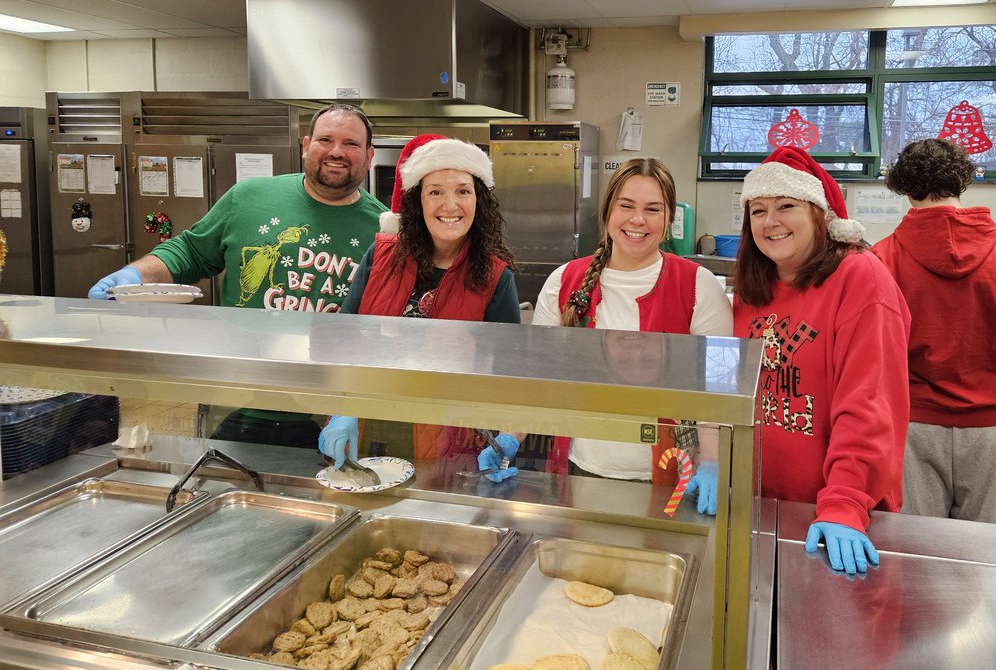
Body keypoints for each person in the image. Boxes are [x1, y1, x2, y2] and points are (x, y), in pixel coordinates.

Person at [87, 103, 386, 447]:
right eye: (325, 139)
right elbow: (190, 252)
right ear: (306, 146)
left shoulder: (383, 229)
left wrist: (354, 405)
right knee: (224, 487)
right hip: (239, 396)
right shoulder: (249, 198)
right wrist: (134, 275)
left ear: (369, 155)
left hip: (328, 407)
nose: (336, 152)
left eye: (351, 143)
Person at [477, 158, 732, 484]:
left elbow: (720, 390)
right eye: (626, 206)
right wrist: (509, 438)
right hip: (579, 470)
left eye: (653, 209)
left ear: (669, 219)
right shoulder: (564, 281)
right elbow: (538, 379)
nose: (638, 219)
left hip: (676, 476)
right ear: (608, 211)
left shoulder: (701, 286)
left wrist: (712, 461)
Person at [728, 146, 910, 576]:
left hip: (836, 518)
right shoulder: (753, 289)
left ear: (820, 214)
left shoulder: (860, 278)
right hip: (760, 509)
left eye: (786, 206)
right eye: (758, 210)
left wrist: (844, 503)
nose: (770, 222)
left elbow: (869, 405)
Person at [873, 138, 996, 525]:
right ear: (962, 183)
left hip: (911, 425)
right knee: (986, 558)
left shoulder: (882, 258)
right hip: (991, 429)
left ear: (904, 189)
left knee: (915, 553)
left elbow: (865, 352)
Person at [318, 134, 520, 469]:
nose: (450, 205)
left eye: (463, 191)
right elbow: (345, 342)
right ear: (418, 201)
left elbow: (510, 377)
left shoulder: (496, 279)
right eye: (435, 191)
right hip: (367, 426)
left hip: (448, 442)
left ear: (478, 201)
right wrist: (342, 412)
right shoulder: (380, 257)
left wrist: (506, 438)